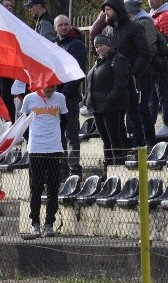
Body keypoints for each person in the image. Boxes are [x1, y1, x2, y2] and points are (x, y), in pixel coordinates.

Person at [101, 0, 151, 147]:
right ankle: (122, 150)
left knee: (135, 116)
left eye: (108, 10)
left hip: (132, 80)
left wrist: (133, 72)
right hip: (113, 81)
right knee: (116, 117)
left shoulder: (134, 27)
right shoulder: (107, 31)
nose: (105, 13)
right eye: (104, 11)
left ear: (117, 10)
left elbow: (145, 52)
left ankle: (140, 148)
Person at [20, 86, 68, 238]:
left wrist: (56, 137)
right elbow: (24, 122)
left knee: (53, 187)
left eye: (53, 88)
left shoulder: (60, 98)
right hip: (36, 149)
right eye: (47, 88)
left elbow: (65, 120)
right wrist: (32, 141)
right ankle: (35, 222)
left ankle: (49, 223)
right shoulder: (29, 99)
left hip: (54, 148)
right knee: (36, 187)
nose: (50, 91)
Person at [84, 35, 131, 170]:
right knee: (105, 139)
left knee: (114, 137)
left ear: (109, 45)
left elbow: (121, 84)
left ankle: (118, 164)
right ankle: (109, 165)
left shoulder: (118, 60)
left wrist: (110, 99)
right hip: (98, 107)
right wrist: (88, 99)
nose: (98, 49)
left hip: (112, 107)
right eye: (96, 46)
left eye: (101, 45)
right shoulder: (98, 61)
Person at [123, 0, 159, 147]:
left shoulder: (144, 22)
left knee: (142, 107)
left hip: (144, 72)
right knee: (136, 108)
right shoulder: (132, 23)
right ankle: (138, 139)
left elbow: (150, 47)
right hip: (136, 72)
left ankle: (149, 141)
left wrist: (139, 67)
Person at [54, 14, 87, 178]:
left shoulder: (77, 45)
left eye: (66, 24)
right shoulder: (53, 45)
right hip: (54, 97)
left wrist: (63, 94)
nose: (64, 27)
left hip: (69, 97)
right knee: (58, 135)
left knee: (71, 134)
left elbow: (78, 73)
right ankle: (62, 169)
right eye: (60, 25)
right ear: (55, 28)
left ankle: (74, 169)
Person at [148, 0, 168, 138]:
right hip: (155, 63)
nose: (150, 0)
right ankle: (150, 125)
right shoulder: (153, 16)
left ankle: (167, 124)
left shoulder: (165, 17)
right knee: (153, 94)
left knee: (163, 93)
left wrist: (165, 59)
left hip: (163, 63)